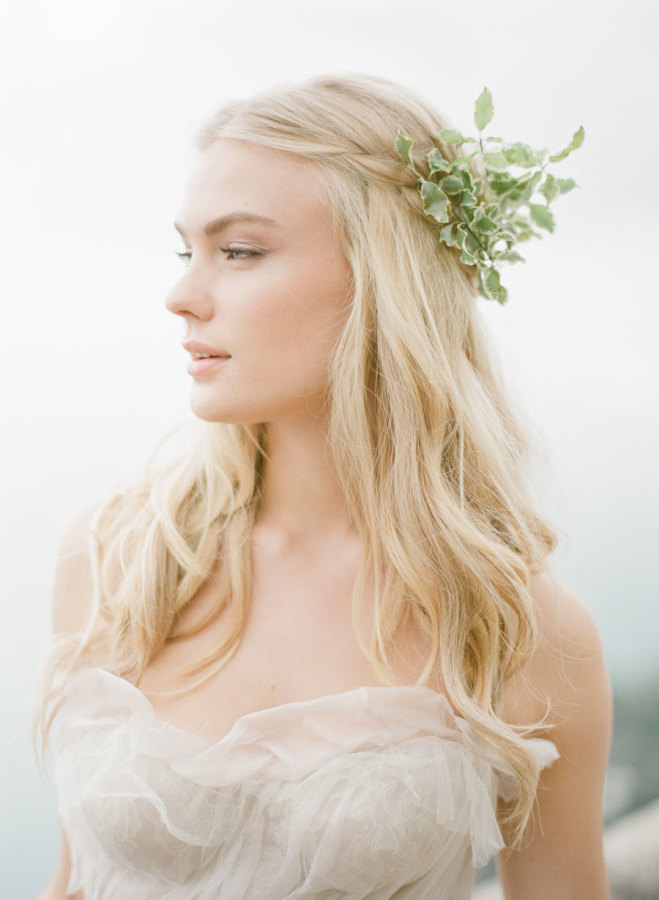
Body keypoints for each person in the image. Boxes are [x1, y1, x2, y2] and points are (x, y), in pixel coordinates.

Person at [35, 73, 612, 899]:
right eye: (185, 250)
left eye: (238, 251)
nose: (182, 295)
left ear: (382, 281)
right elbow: (77, 880)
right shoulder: (119, 560)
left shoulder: (518, 626)